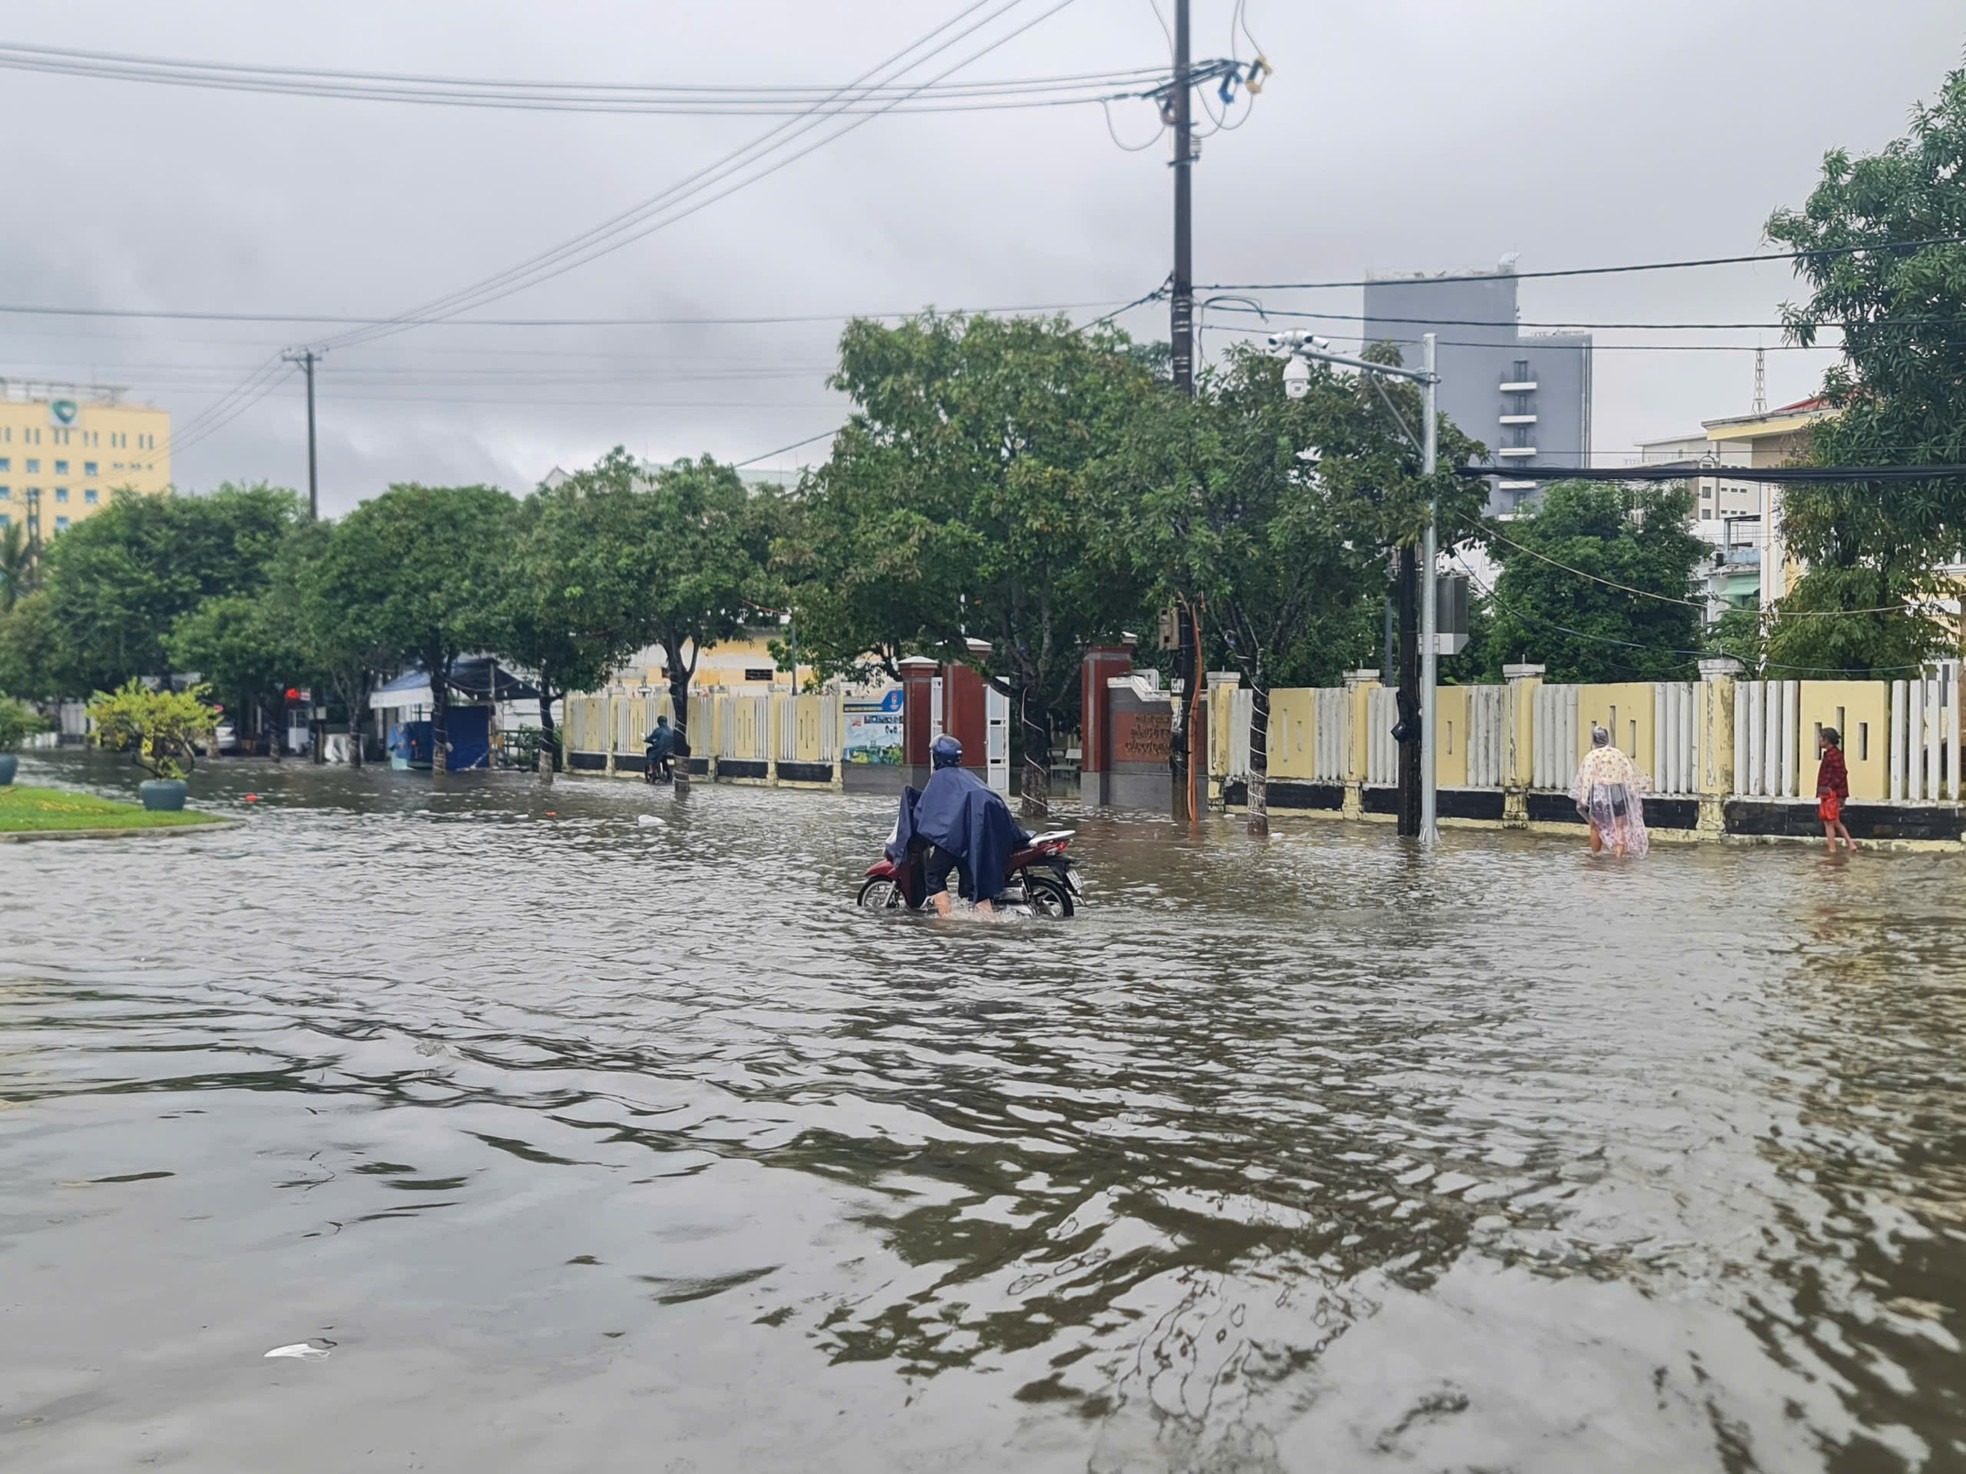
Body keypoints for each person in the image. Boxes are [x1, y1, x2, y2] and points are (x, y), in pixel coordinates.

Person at [896, 735, 1029, 917]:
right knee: (974, 887)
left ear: (936, 756)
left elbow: (926, 813)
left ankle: (945, 922)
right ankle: (989, 923)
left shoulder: (939, 779)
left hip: (953, 841)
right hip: (975, 843)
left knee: (933, 875)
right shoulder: (968, 777)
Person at [1571, 724, 1650, 858]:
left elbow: (1587, 779)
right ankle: (1618, 858)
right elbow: (1628, 774)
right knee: (1619, 826)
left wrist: (1583, 799)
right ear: (1607, 738)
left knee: (1595, 826)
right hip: (1617, 792)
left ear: (1594, 739)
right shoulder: (1618, 754)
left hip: (1599, 794)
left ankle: (1596, 855)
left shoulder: (1591, 756)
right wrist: (1632, 791)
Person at [1817, 727, 1854, 853]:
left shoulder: (1833, 755)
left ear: (1826, 740)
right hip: (1829, 793)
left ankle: (1832, 848)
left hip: (1831, 793)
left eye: (1821, 738)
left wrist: (1831, 787)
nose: (1819, 740)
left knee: (1829, 821)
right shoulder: (1832, 754)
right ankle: (1850, 844)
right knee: (1834, 820)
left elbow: (1841, 773)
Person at [644, 714, 676, 784]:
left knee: (650, 754)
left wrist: (646, 739)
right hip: (671, 751)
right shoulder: (671, 731)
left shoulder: (658, 730)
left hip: (660, 750)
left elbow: (651, 738)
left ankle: (651, 770)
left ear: (659, 722)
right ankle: (666, 773)